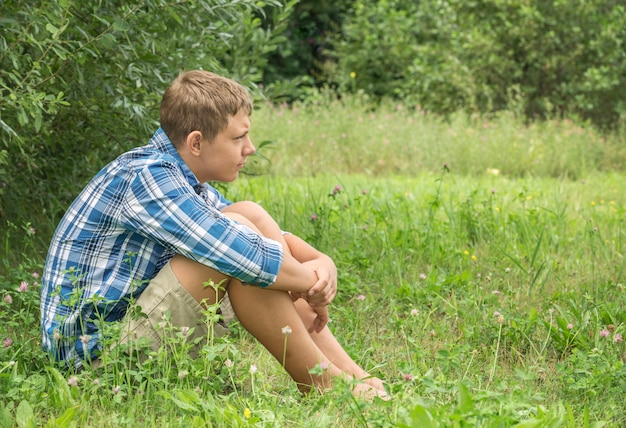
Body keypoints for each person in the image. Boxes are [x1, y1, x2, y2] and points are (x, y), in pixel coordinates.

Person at [40, 70, 388, 399]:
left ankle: (353, 375)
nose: (250, 148)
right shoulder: (146, 177)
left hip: (129, 340)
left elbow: (263, 234)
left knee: (246, 215)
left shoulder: (184, 182)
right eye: (238, 137)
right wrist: (307, 281)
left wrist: (321, 262)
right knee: (242, 250)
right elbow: (245, 253)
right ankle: (324, 384)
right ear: (196, 142)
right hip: (95, 368)